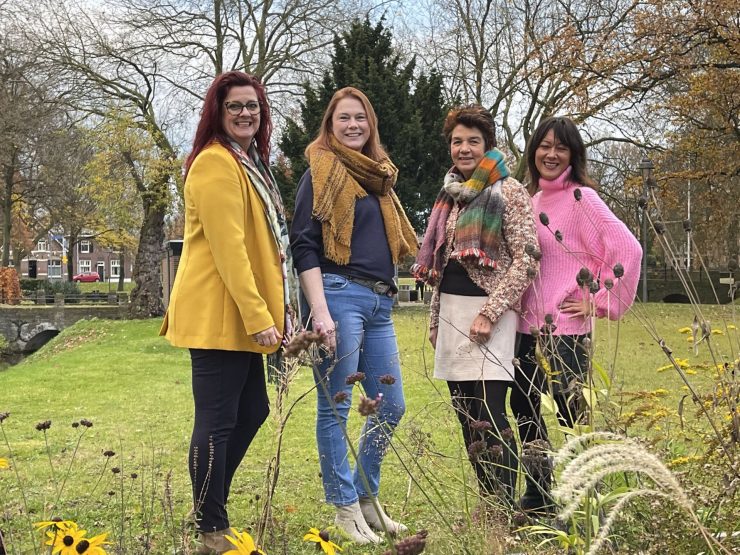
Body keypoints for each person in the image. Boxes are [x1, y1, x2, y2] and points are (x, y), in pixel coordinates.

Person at [160, 71, 294, 554]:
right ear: (217, 112)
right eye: (234, 105)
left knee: (253, 411)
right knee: (217, 422)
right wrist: (260, 317)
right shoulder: (215, 163)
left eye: (252, 105)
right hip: (218, 314)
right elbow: (230, 250)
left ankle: (208, 504)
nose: (244, 113)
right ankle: (211, 529)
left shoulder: (249, 163)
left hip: (237, 314)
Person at [290, 87, 417, 544]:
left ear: (371, 124)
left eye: (360, 117)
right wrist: (320, 312)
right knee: (337, 406)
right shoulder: (320, 172)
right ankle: (344, 508)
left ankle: (366, 497)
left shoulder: (378, 176)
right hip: (338, 295)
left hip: (380, 302)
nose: (352, 125)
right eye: (343, 118)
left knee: (391, 405)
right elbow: (303, 245)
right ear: (330, 124)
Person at [511, 116, 642, 513]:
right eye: (545, 146)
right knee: (526, 411)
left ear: (573, 155)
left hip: (566, 331)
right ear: (534, 151)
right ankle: (538, 495)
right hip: (526, 329)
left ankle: (585, 503)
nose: (551, 154)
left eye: (561, 148)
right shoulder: (532, 201)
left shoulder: (583, 198)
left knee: (571, 418)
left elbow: (629, 249)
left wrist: (599, 300)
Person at [412, 105, 539, 511]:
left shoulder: (509, 190)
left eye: (473, 141)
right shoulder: (451, 194)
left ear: (488, 145)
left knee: (490, 413)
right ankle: (489, 504)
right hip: (452, 311)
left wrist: (491, 311)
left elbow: (527, 259)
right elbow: (445, 261)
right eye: (457, 141)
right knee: (467, 416)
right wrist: (435, 319)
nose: (463, 148)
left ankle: (504, 507)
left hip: (490, 314)